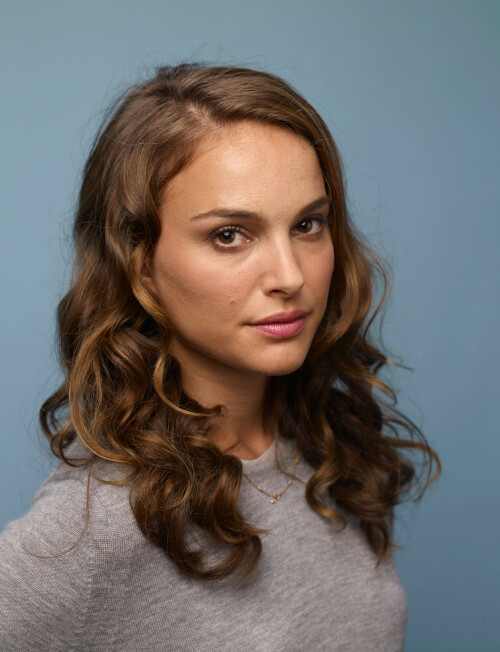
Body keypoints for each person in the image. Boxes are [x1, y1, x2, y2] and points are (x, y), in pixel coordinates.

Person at [0, 62, 440, 651]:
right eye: (230, 235)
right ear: (139, 262)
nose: (290, 276)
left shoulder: (325, 447)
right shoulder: (96, 526)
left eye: (308, 224)